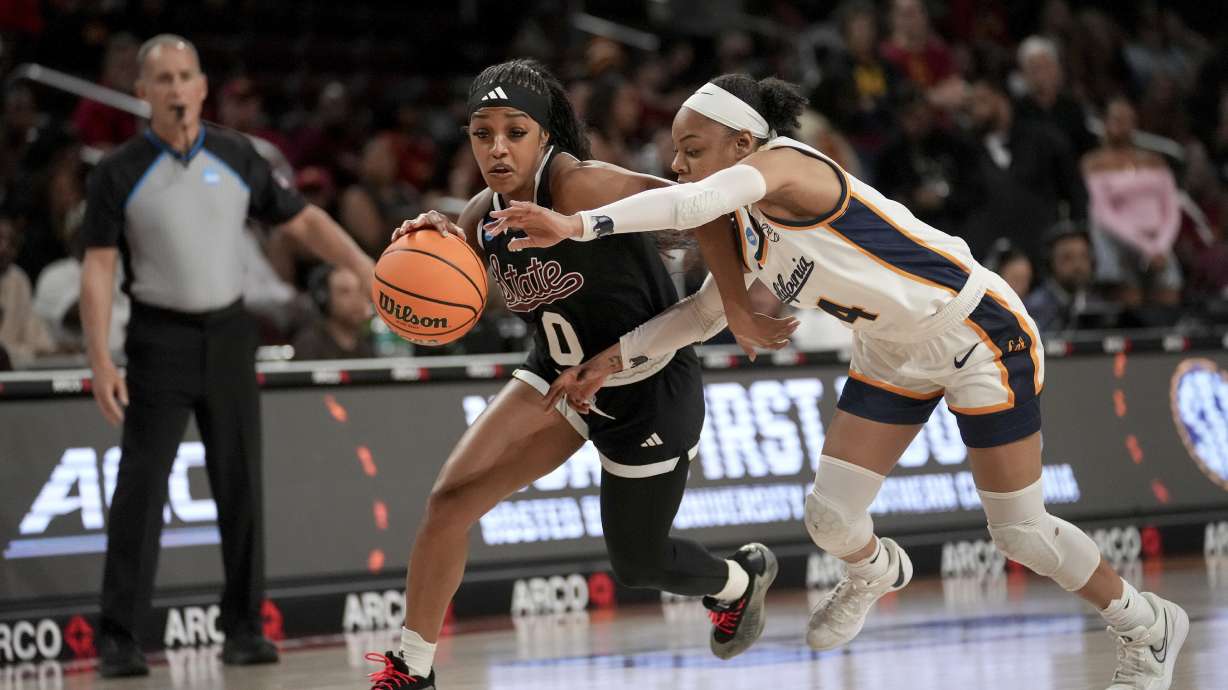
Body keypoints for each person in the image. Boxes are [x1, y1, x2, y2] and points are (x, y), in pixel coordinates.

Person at [491, 73, 1190, 690]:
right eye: (675, 150)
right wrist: (609, 362)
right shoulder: (746, 221)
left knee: (1020, 532)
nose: (676, 164)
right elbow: (704, 312)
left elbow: (679, 208)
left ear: (741, 142)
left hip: (976, 331)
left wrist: (576, 223)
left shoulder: (790, 166)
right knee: (829, 519)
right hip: (891, 350)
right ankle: (872, 570)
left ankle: (1145, 623)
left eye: (691, 148)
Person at [364, 59, 795, 690]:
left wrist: (732, 303)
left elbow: (705, 208)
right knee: (449, 502)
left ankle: (738, 580)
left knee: (640, 561)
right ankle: (413, 669)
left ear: (545, 136)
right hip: (558, 376)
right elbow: (466, 284)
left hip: (646, 383)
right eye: (482, 133)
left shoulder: (582, 186)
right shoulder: (484, 209)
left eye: (515, 131)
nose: (497, 147)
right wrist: (434, 243)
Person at [80, 35, 375, 678]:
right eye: (163, 79)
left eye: (186, 76)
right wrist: (100, 359)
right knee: (139, 490)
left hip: (230, 335)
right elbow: (98, 268)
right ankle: (119, 637)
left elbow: (301, 221)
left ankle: (243, 628)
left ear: (203, 87)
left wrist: (361, 262)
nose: (177, 89)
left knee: (239, 486)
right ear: (142, 91)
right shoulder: (119, 171)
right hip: (158, 340)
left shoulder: (237, 154)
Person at [1082, 97, 1183, 312]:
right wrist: (1144, 246)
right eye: (1117, 119)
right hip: (1118, 241)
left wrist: (1160, 246)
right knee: (1130, 302)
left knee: (1168, 295)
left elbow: (1171, 209)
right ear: (1105, 123)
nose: (1123, 125)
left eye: (1129, 120)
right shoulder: (1094, 162)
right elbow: (1102, 212)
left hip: (1159, 242)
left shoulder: (1154, 161)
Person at [0, 210, 55, 368]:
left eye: (11, 242)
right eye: (0, 239)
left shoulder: (18, 279)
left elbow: (37, 345)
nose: (4, 248)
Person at [292, 264, 373, 360]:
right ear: (324, 298)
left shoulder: (368, 343)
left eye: (360, 291)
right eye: (344, 292)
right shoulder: (308, 344)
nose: (356, 299)